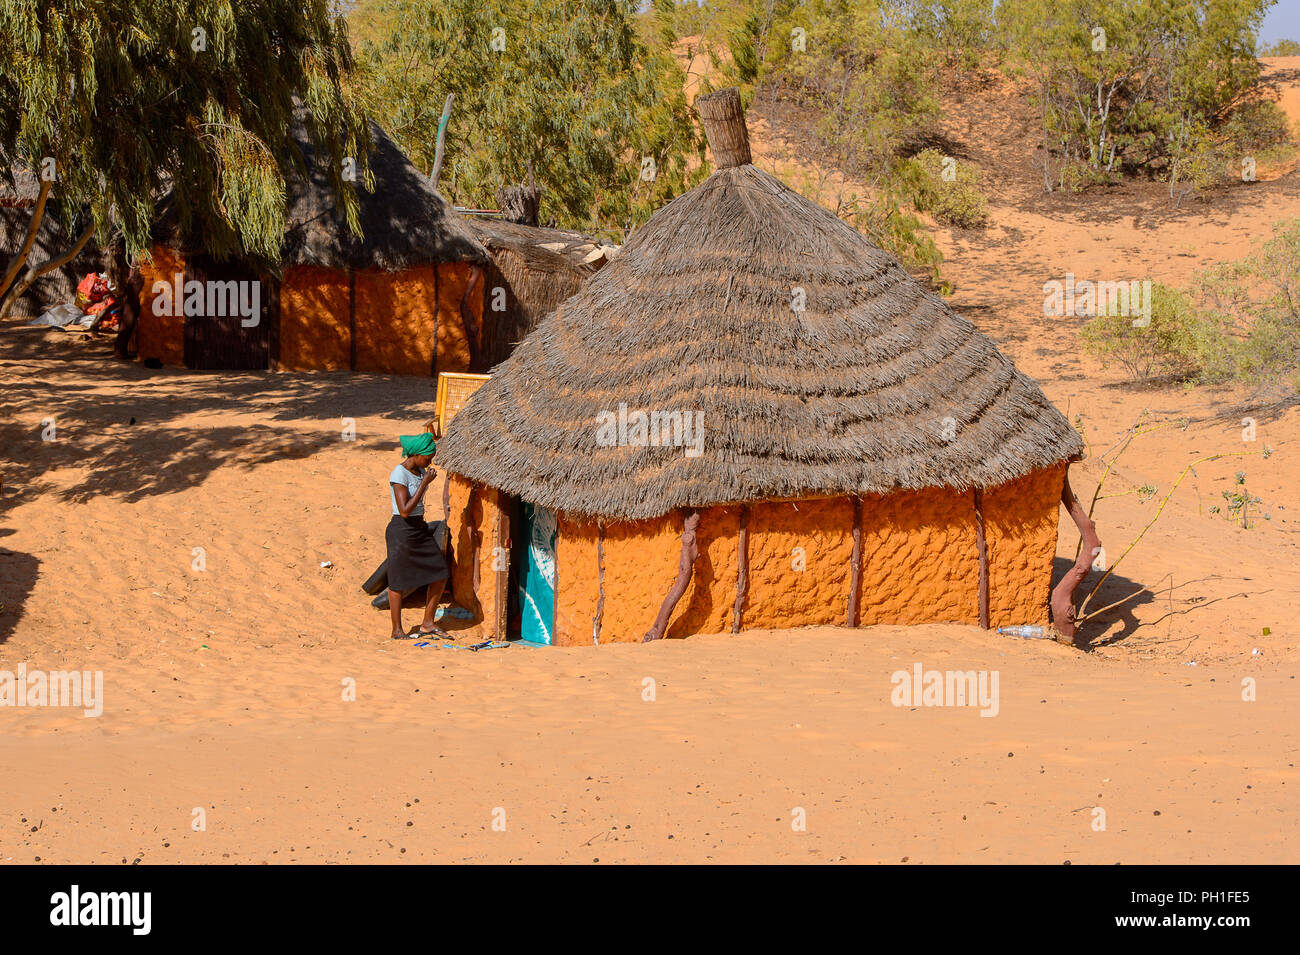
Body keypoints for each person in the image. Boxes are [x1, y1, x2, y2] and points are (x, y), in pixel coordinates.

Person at [385, 433, 450, 639]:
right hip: (401, 530)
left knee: (440, 573)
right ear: (416, 454)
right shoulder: (399, 474)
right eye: (428, 457)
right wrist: (424, 484)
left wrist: (424, 478)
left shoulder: (420, 471)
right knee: (397, 581)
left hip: (418, 529)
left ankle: (428, 623)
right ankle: (397, 630)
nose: (430, 461)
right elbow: (404, 510)